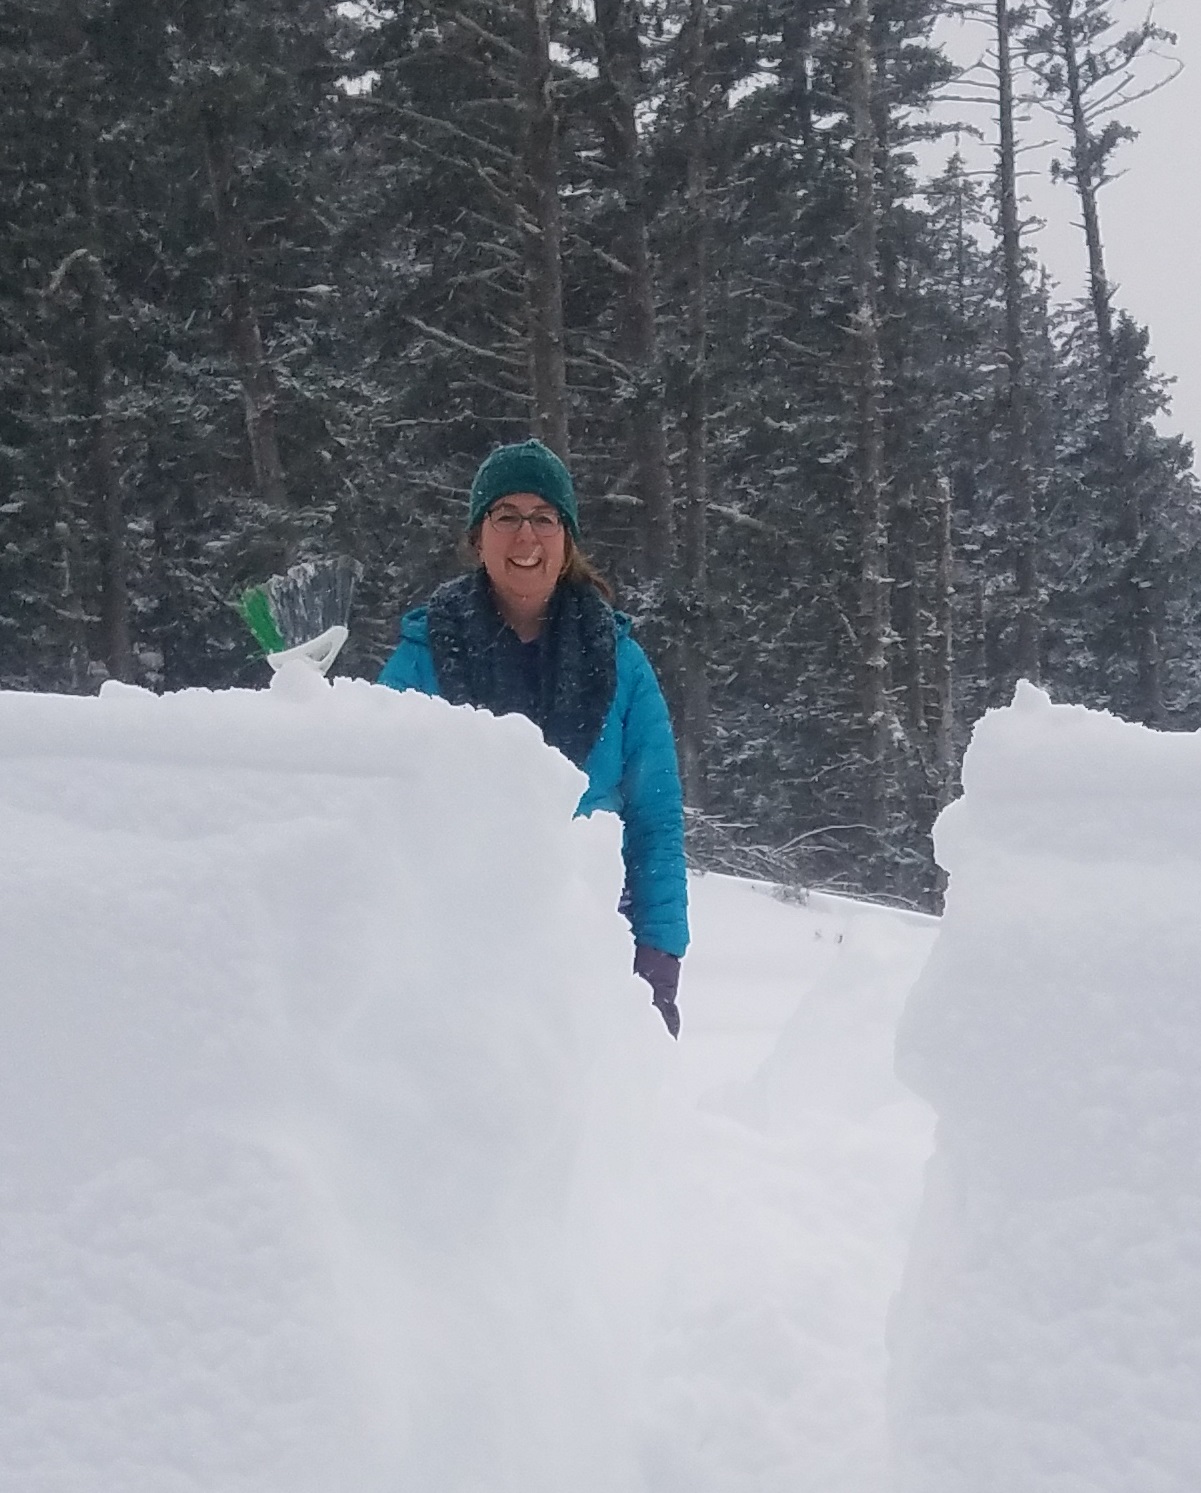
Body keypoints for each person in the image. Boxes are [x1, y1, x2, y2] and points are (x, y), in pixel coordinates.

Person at [377, 438, 688, 1036]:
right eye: (507, 517)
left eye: (544, 518)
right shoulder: (423, 658)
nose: (527, 537)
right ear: (478, 534)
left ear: (566, 538)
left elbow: (655, 820)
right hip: (454, 950)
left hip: (592, 941)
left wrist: (659, 956)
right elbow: (378, 805)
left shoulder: (621, 663)